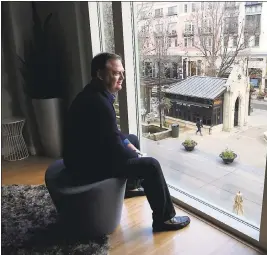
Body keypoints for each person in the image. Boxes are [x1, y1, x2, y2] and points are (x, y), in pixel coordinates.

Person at [63, 52, 190, 232]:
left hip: (85, 154)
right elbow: (115, 150)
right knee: (151, 165)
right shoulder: (98, 103)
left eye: (122, 72)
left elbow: (111, 133)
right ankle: (164, 219)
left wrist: (130, 146)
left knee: (132, 139)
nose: (122, 77)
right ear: (99, 74)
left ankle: (130, 186)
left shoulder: (94, 94)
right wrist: (138, 155)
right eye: (116, 73)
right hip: (84, 167)